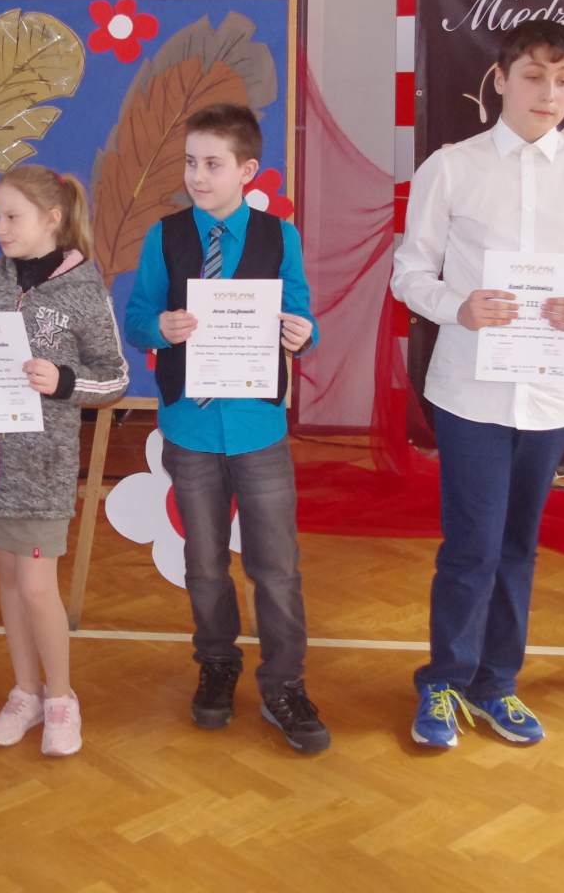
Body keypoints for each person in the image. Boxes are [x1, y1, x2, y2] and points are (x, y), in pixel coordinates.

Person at [392, 20, 564, 749]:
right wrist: (456, 306)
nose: (548, 93)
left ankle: (497, 684)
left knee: (519, 545)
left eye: (563, 80)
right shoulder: (450, 167)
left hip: (550, 391)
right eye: (533, 76)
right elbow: (409, 272)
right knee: (472, 545)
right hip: (471, 391)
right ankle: (444, 681)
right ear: (500, 80)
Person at [122, 103, 325, 754]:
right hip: (190, 427)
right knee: (203, 562)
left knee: (277, 565)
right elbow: (138, 315)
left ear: (247, 170)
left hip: (258, 425)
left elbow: (301, 315)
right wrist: (161, 328)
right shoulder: (164, 236)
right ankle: (216, 661)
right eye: (190, 162)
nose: (197, 175)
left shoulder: (279, 237)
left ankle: (284, 681)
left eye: (213, 164)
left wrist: (302, 333)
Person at [0, 165, 129, 757]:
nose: (0, 227)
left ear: (52, 218)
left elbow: (116, 377)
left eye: (12, 216)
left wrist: (64, 381)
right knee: (8, 582)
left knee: (37, 588)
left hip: (42, 472)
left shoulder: (84, 290)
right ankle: (24, 692)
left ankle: (62, 700)